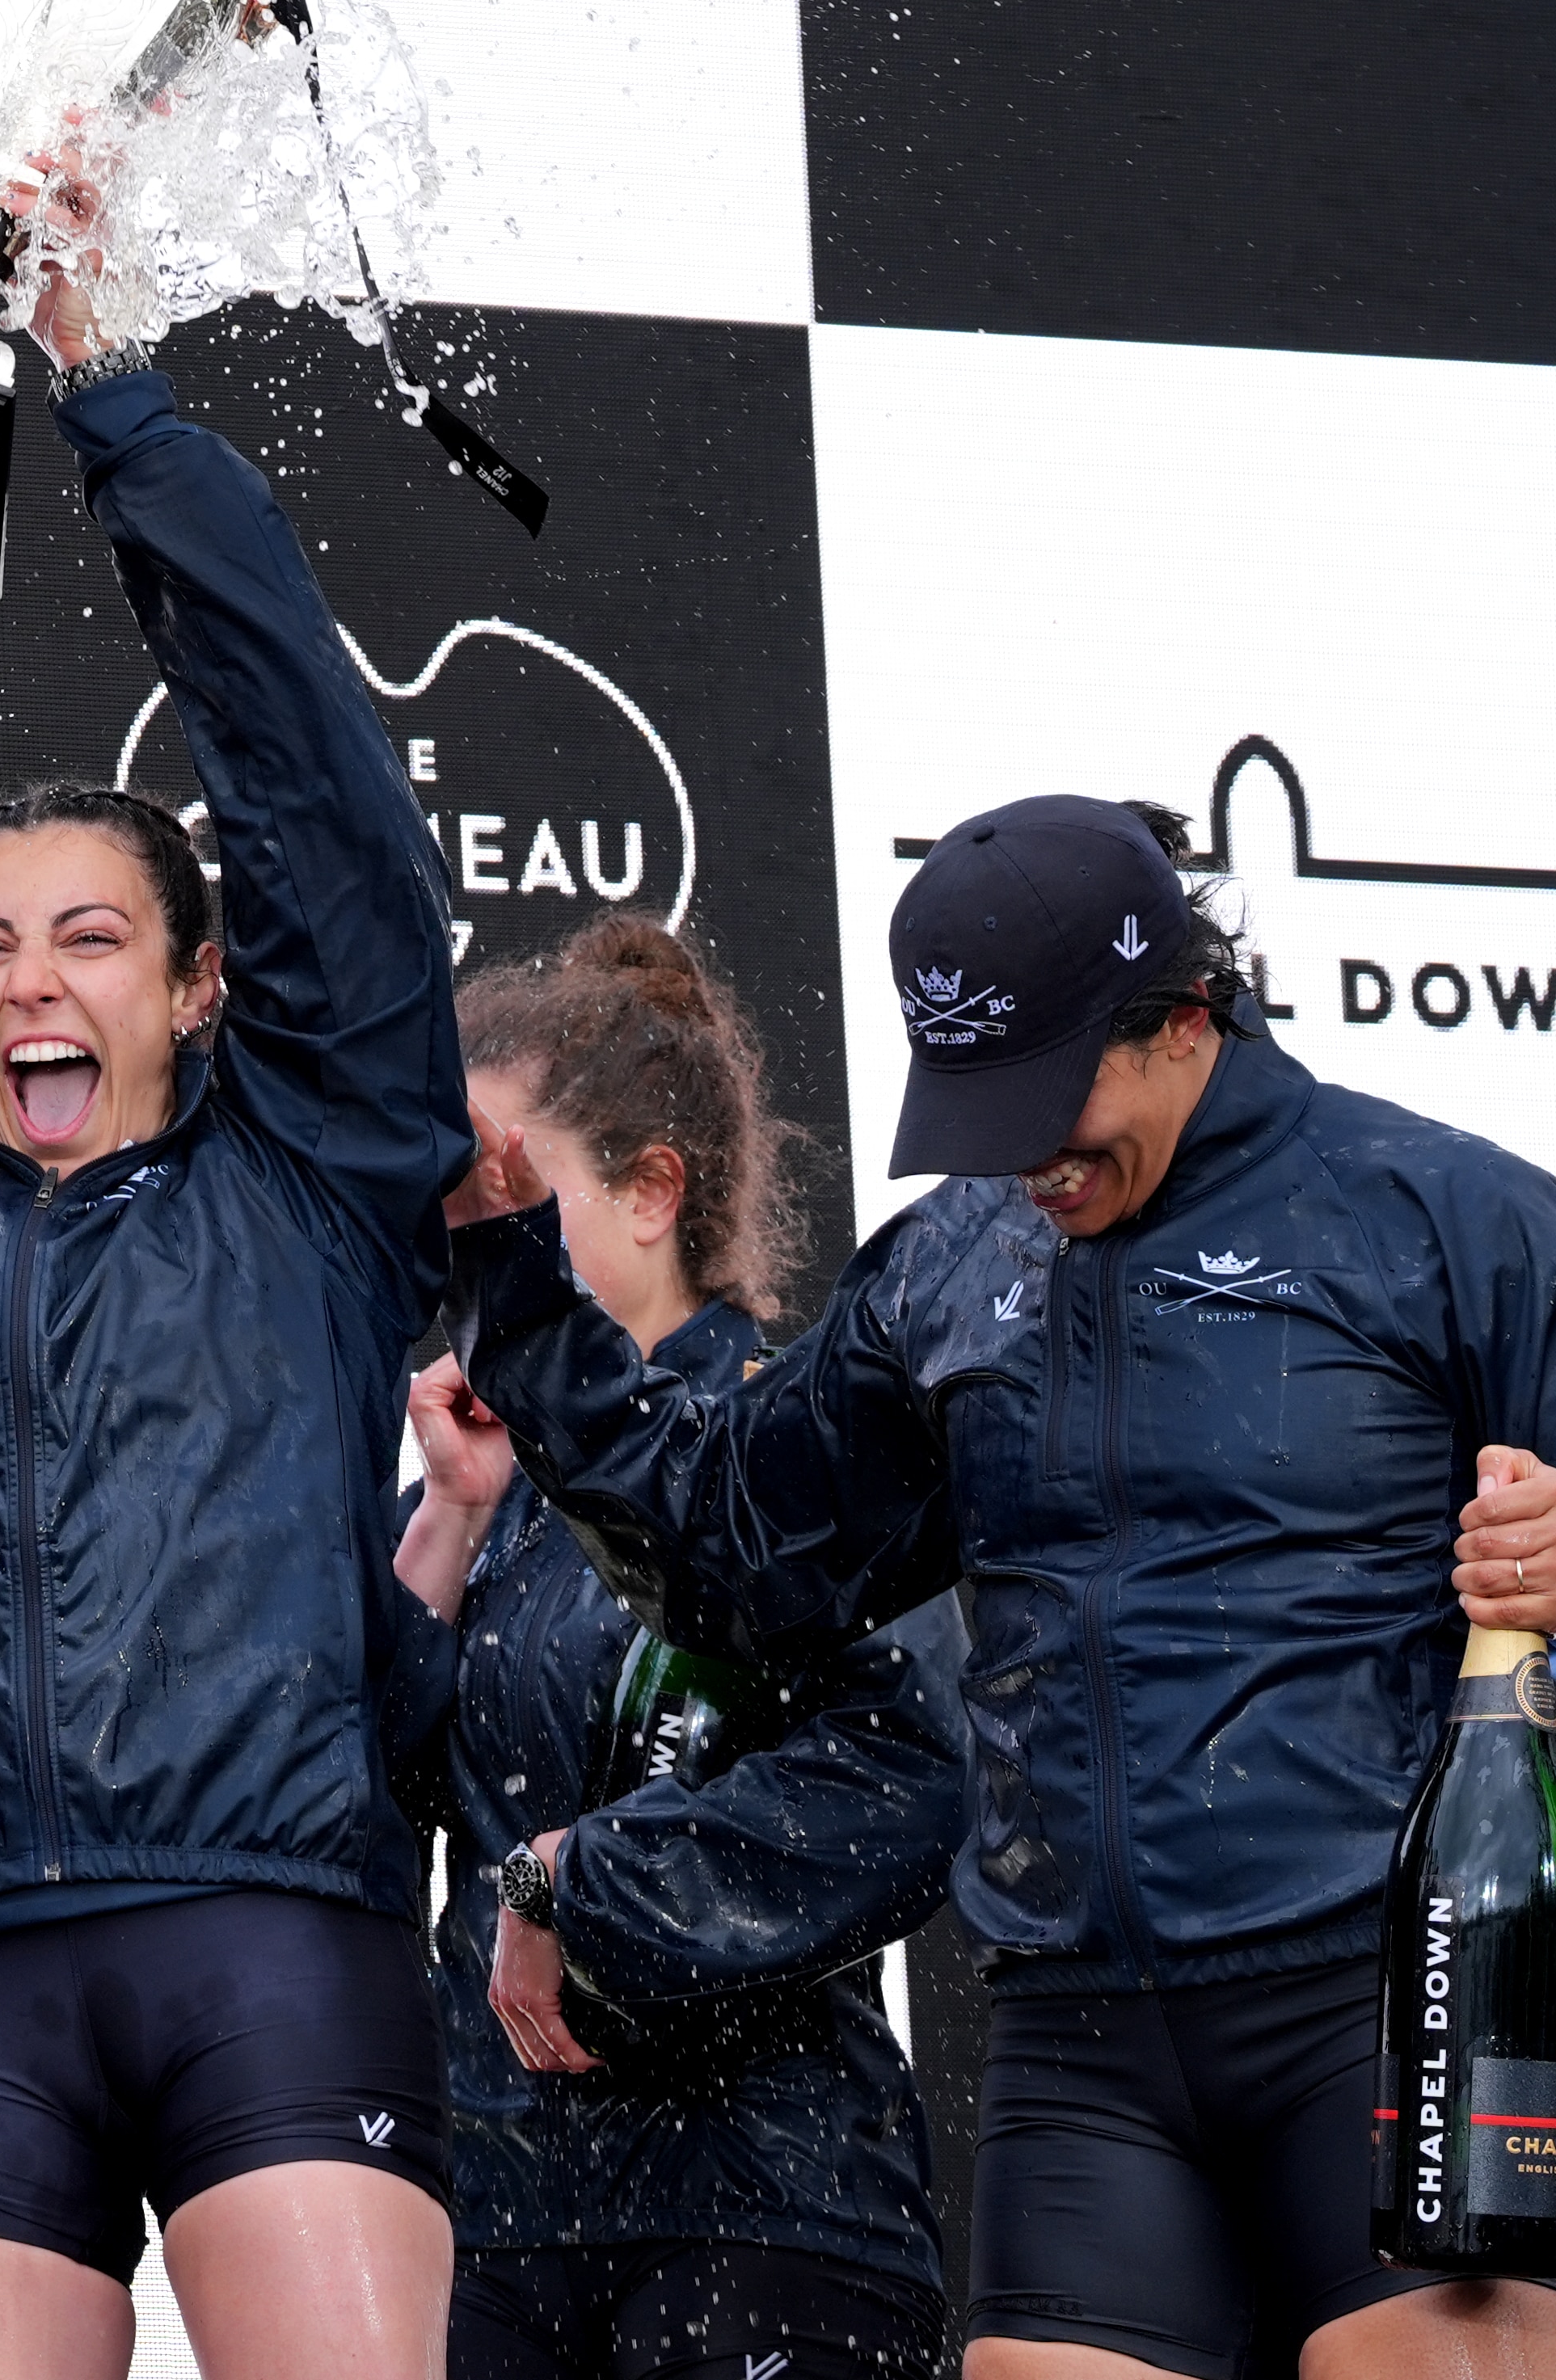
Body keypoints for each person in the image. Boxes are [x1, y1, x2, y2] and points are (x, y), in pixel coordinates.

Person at [442, 796, 1556, 2380]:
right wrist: (514, 1268)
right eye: (978, 1104)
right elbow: (730, 1550)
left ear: (1180, 1011)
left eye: (1049, 1096)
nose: (1025, 1156)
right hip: (1079, 2041)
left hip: (1385, 2001)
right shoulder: (947, 1266)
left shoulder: (1445, 1218)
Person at [0, 183, 474, 2380]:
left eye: (91, 938)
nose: (25, 982)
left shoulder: (324, 1170)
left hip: (275, 1949)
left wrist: (103, 379)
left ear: (205, 982)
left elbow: (317, 788)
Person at [386, 919, 959, 2380]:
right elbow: (340, 1824)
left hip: (769, 2208)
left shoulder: (798, 1452)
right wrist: (448, 1524)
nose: (473, 1240)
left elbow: (909, 1777)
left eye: (513, 1194)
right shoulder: (471, 1479)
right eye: (455, 1201)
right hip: (499, 2225)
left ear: (652, 1194)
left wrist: (584, 1881)